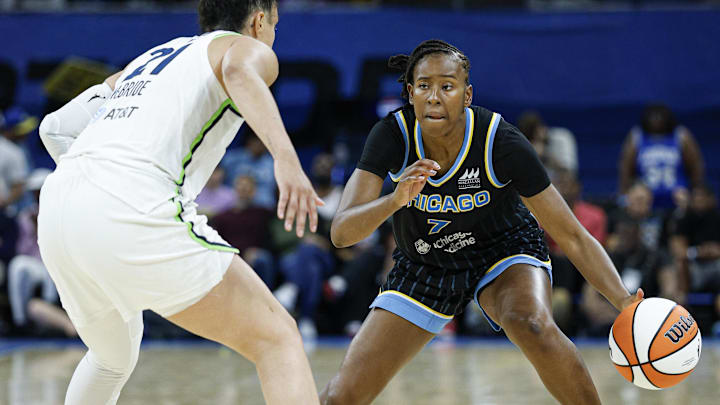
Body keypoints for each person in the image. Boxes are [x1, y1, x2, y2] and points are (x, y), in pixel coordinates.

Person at [320, 40, 642, 405]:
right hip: (426, 262)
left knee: (531, 323)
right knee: (341, 396)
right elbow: (342, 233)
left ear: (467, 94)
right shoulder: (392, 136)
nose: (435, 97)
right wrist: (395, 199)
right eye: (424, 86)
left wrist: (623, 299)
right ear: (410, 93)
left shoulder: (501, 141)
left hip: (503, 251)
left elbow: (571, 233)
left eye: (447, 86)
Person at [36, 1, 322, 404]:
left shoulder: (148, 60)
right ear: (259, 20)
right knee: (278, 338)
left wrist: (93, 197)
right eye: (275, 23)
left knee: (110, 358)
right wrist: (287, 161)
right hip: (131, 206)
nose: (273, 34)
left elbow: (55, 128)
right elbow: (239, 70)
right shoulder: (244, 48)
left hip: (58, 212)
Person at [618, 103, 704, 211]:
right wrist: (624, 194)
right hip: (646, 195)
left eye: (659, 117)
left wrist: (694, 189)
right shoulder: (637, 136)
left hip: (676, 193)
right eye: (653, 117)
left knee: (684, 199)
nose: (656, 121)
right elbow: (626, 168)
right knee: (637, 198)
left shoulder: (681, 135)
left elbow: (695, 165)